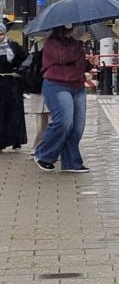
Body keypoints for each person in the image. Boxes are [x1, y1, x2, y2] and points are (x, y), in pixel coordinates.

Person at [33, 24, 93, 173]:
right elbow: (63, 57)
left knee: (77, 126)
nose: (74, 28)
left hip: (77, 86)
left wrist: (88, 64)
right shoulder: (50, 43)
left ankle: (71, 162)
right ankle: (43, 154)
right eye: (71, 26)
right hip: (56, 84)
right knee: (64, 121)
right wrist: (81, 42)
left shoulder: (73, 43)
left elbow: (78, 63)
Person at [0, 21, 29, 151]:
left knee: (14, 112)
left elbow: (28, 58)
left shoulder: (13, 46)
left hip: (12, 83)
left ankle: (16, 140)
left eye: (0, 34)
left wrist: (19, 70)